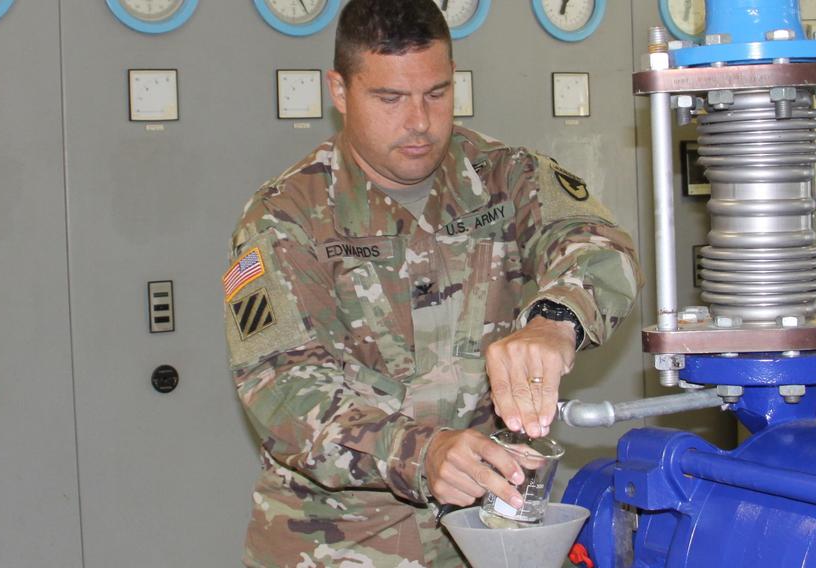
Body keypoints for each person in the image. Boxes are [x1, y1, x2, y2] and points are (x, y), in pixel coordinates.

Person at [223, 1, 643, 565]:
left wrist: (556, 320)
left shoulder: (504, 176)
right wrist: (422, 454)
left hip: (492, 537)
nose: (419, 121)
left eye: (437, 93)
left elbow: (599, 243)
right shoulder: (284, 218)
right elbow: (281, 387)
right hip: (341, 544)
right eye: (390, 99)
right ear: (340, 92)